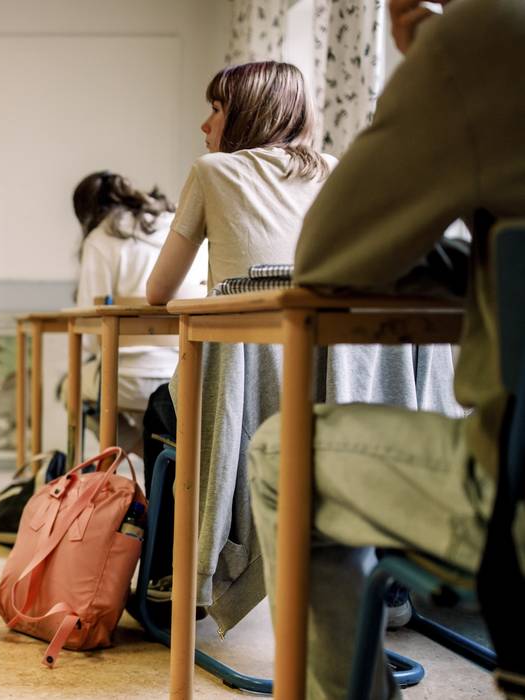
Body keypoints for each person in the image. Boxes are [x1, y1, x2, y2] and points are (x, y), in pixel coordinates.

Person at [248, 0, 525, 696]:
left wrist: (431, 51)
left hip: (513, 508)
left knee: (279, 455)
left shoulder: (484, 37)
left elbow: (326, 257)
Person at [140, 61, 459, 632]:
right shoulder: (335, 172)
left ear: (248, 113)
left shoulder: (213, 171)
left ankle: (178, 585)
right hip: (342, 401)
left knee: (161, 412)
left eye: (216, 107)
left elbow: (158, 291)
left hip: (248, 406)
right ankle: (378, 576)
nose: (204, 122)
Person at [69, 171, 205, 455]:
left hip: (123, 378)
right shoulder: (178, 224)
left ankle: (145, 450)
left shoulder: (101, 237)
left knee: (69, 389)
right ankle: (161, 452)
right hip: (184, 372)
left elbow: (91, 329)